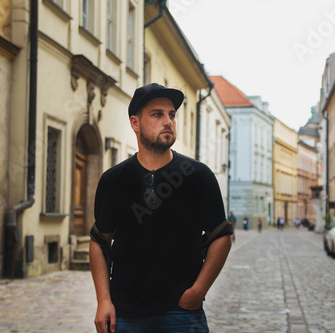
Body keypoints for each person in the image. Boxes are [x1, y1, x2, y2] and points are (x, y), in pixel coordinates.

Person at [89, 83, 233, 333]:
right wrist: (104, 301)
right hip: (125, 313)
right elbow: (99, 241)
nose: (168, 121)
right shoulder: (114, 180)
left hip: (181, 313)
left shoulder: (198, 176)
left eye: (172, 115)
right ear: (135, 123)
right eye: (157, 114)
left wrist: (197, 292)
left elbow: (220, 237)